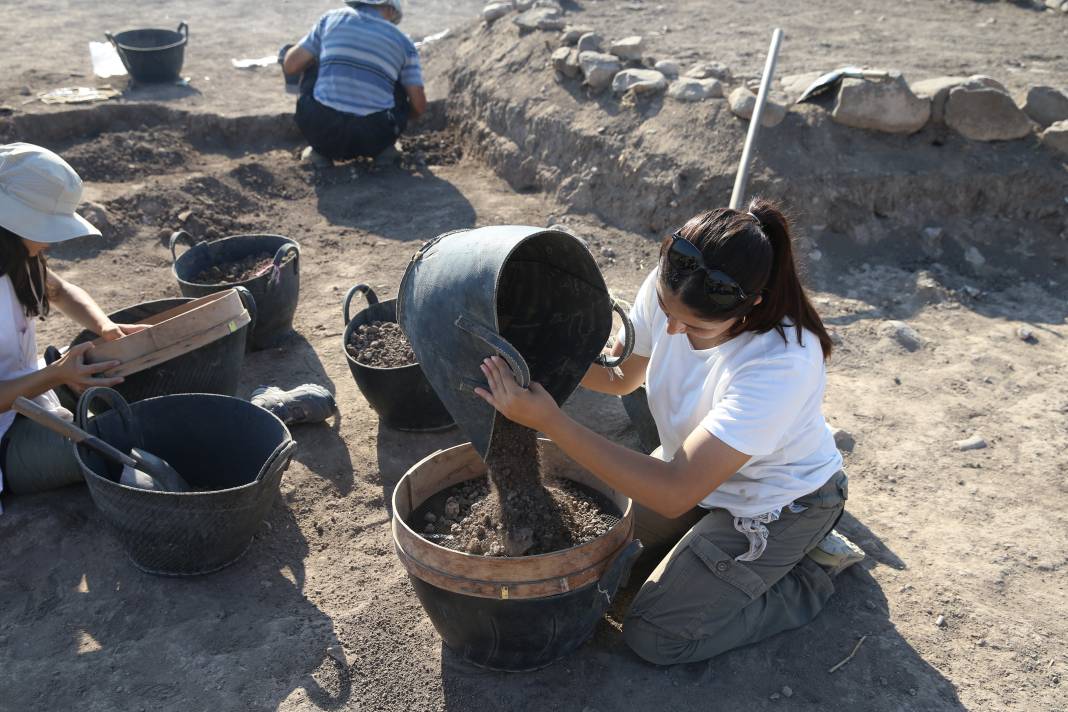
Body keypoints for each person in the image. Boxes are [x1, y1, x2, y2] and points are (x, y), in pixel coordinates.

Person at [475, 199, 866, 665]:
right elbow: (621, 376)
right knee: (591, 554)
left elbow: (675, 491)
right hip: (699, 478)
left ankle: (808, 572)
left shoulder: (781, 363)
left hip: (776, 503)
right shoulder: (678, 282)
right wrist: (541, 352)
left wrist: (550, 421)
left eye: (696, 327)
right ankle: (721, 554)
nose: (673, 329)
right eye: (666, 309)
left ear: (750, 307)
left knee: (656, 634)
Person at [0, 143, 147, 501]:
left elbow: (60, 291)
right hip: (4, 440)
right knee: (116, 444)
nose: (51, 241)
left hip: (30, 394)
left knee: (122, 369)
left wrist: (105, 327)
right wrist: (57, 374)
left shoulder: (17, 258)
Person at [282, 0, 428, 166]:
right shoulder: (404, 44)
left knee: (308, 59)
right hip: (374, 137)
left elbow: (290, 65)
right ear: (390, 9)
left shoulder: (330, 19)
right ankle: (385, 152)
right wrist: (399, 117)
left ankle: (318, 153)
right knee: (398, 79)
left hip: (321, 131)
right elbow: (419, 105)